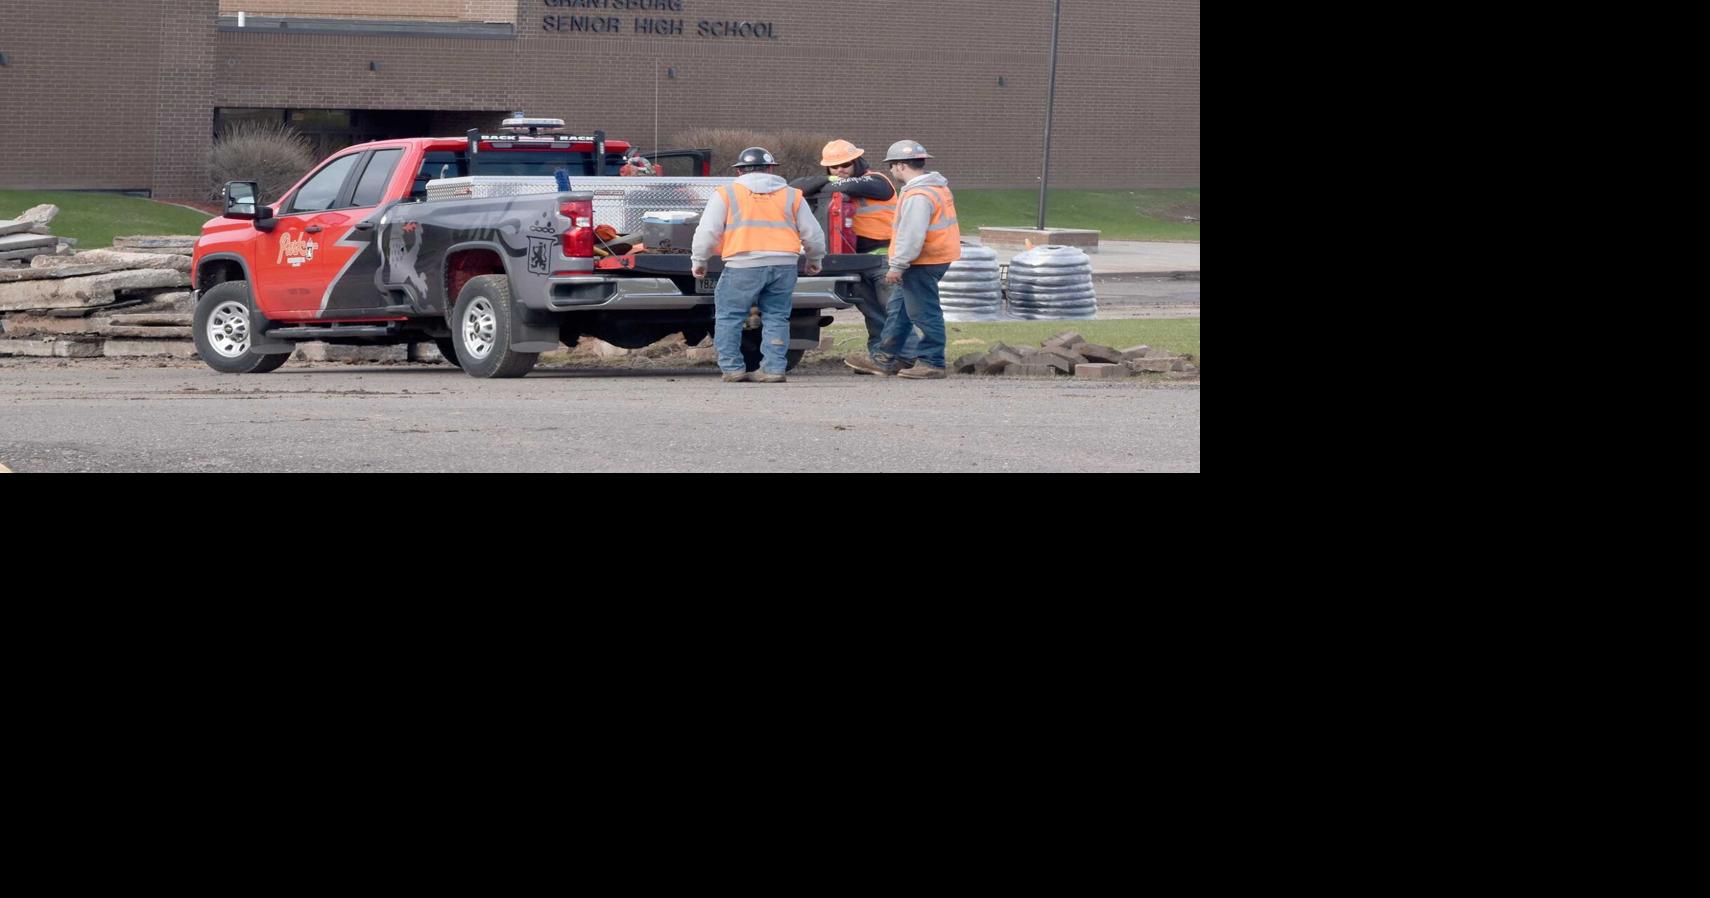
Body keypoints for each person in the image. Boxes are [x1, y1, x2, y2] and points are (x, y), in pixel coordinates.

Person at [691, 147, 826, 383]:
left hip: (742, 264)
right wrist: (815, 259)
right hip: (783, 264)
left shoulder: (727, 194)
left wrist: (699, 260)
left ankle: (733, 368)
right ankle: (773, 369)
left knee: (729, 317)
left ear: (740, 170)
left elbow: (708, 231)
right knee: (777, 316)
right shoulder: (792, 195)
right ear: (771, 169)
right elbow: (813, 234)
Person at [844, 140, 959, 379]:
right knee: (899, 310)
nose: (891, 170)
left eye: (891, 166)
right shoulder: (935, 187)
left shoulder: (919, 194)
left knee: (924, 312)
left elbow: (912, 234)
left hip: (923, 261)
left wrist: (897, 265)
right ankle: (885, 358)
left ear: (900, 166)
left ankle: (932, 362)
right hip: (931, 257)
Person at [811, 139, 919, 364]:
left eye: (846, 164)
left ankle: (907, 356)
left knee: (893, 310)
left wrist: (828, 183)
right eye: (834, 167)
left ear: (857, 162)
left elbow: (850, 186)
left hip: (884, 257)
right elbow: (798, 186)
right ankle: (880, 358)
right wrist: (829, 181)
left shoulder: (877, 181)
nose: (840, 170)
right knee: (872, 313)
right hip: (857, 261)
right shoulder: (838, 181)